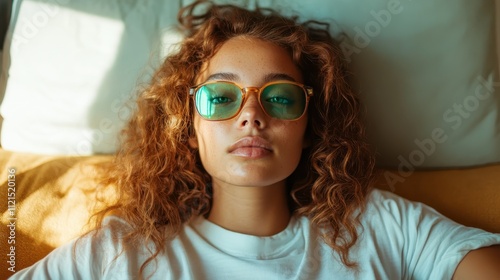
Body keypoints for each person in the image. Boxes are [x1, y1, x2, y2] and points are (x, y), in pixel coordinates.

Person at [11, 1, 500, 279]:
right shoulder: (119, 253)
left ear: (311, 126)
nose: (251, 116)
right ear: (188, 123)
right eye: (222, 98)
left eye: (280, 98)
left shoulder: (380, 227)